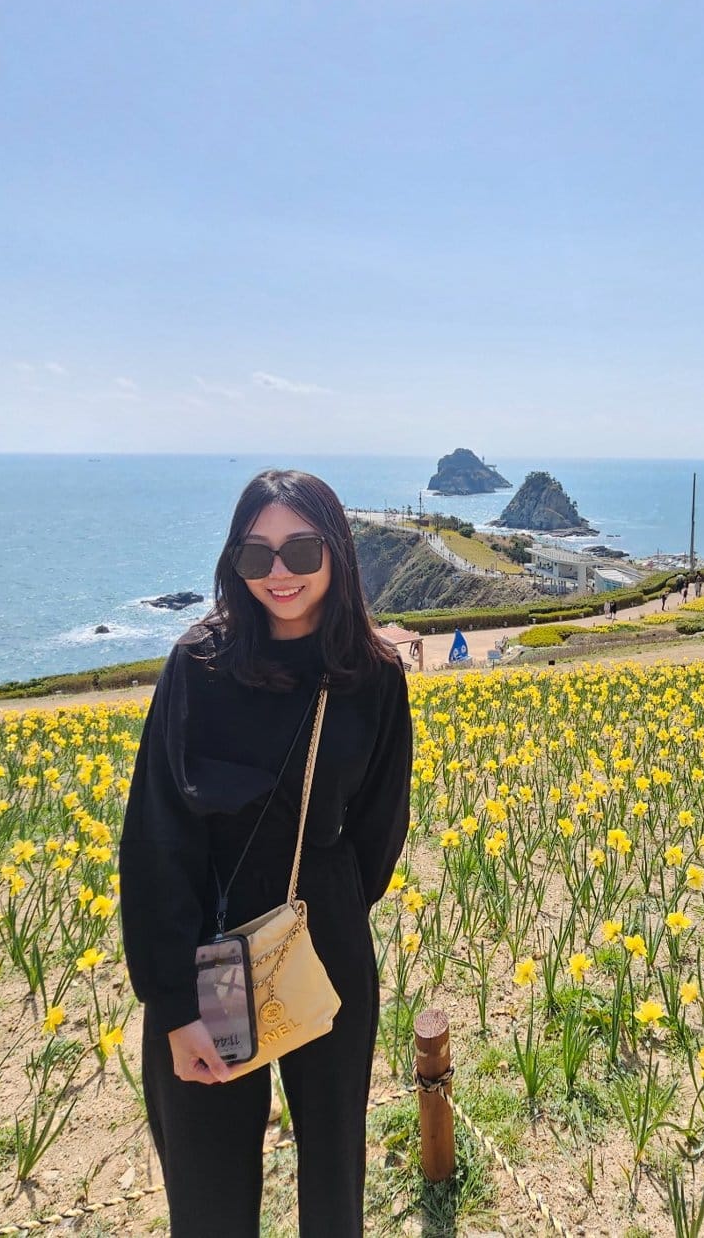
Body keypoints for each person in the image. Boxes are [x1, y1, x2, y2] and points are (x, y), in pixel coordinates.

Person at [119, 469, 413, 1238]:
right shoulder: (200, 667)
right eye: (256, 557)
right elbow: (157, 837)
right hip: (209, 951)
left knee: (333, 1171)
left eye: (300, 550)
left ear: (337, 553)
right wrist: (177, 1006)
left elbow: (380, 828)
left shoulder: (374, 678)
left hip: (321, 943)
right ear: (234, 563)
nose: (278, 574)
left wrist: (328, 909)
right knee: (210, 1181)